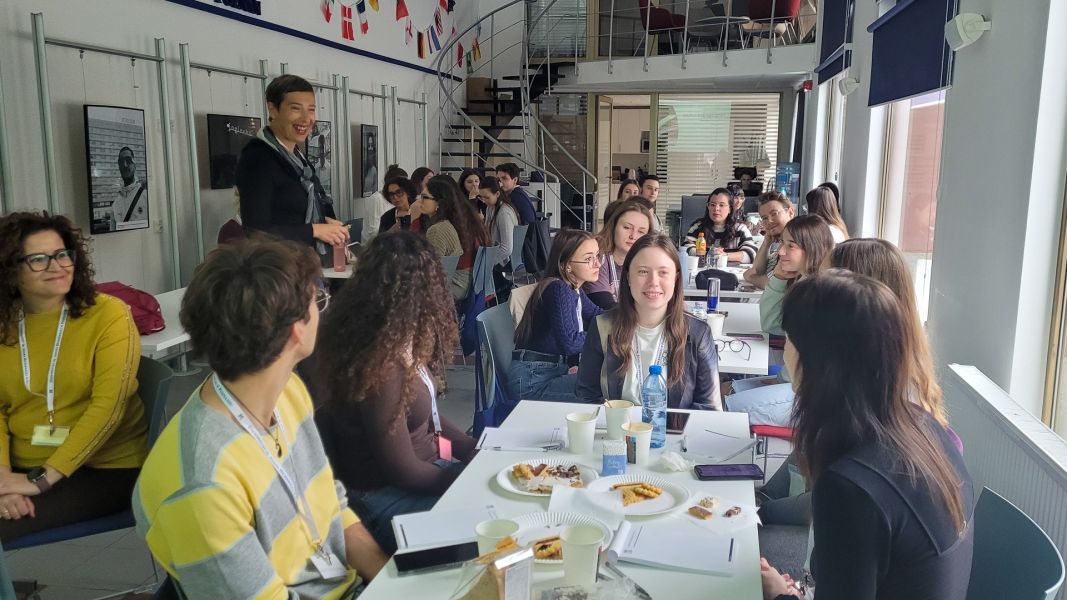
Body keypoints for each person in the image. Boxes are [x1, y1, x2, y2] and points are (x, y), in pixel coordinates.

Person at [133, 238, 387, 598]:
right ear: (295, 331)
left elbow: (332, 506)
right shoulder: (203, 484)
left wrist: (393, 580)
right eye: (317, 300)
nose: (322, 310)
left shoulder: (288, 393)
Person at [761, 272, 973, 600]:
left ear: (815, 359)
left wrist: (780, 595)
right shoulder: (925, 427)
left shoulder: (849, 488)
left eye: (790, 340)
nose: (786, 352)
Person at [755, 238, 952, 527]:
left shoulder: (884, 399)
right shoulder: (871, 376)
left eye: (826, 278)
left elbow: (834, 500)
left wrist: (759, 514)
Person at [312, 232, 477, 554]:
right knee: (489, 536)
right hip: (384, 497)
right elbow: (402, 469)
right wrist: (468, 480)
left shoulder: (396, 337)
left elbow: (426, 414)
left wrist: (471, 448)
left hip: (424, 476)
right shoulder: (379, 363)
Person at [0, 212, 147, 540]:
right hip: (20, 466)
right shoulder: (6, 326)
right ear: (10, 270)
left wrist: (37, 480)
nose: (56, 266)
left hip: (103, 469)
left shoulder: (108, 315)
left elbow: (108, 410)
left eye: (62, 254)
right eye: (38, 259)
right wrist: (4, 480)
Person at [577, 234, 721, 410]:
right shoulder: (603, 326)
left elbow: (708, 408)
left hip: (674, 435)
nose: (653, 282)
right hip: (617, 433)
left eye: (663, 273)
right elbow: (586, 398)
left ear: (675, 279)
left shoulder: (698, 333)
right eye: (643, 272)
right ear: (628, 277)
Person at [725, 216, 833, 428]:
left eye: (790, 246)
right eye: (782, 243)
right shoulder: (802, 283)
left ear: (812, 248)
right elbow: (772, 324)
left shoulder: (820, 293)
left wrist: (779, 381)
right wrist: (779, 279)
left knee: (723, 408)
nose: (780, 252)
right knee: (718, 391)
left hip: (810, 396)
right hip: (791, 381)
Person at [236, 74, 348, 261]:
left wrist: (327, 223)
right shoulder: (258, 158)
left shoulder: (298, 160)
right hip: (278, 275)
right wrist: (314, 229)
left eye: (311, 110)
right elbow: (257, 233)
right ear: (273, 109)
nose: (306, 118)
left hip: (305, 268)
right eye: (296, 109)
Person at [510, 230, 604, 401]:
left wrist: (628, 316)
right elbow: (569, 342)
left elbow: (598, 315)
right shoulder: (559, 289)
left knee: (603, 382)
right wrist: (606, 336)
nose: (597, 264)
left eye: (598, 256)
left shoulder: (573, 289)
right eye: (589, 259)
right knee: (603, 388)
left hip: (545, 371)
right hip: (534, 380)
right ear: (567, 265)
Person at [423, 175, 491, 300]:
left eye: (424, 197)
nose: (419, 201)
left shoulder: (439, 229)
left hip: (458, 284)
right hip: (476, 283)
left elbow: (432, 272)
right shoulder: (468, 217)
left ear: (439, 202)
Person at [583, 200, 653, 310]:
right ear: (614, 226)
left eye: (641, 232)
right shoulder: (597, 258)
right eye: (627, 227)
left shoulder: (647, 263)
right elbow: (605, 305)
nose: (633, 236)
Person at [685, 188, 759, 263]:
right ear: (708, 207)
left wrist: (724, 256)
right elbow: (686, 248)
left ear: (730, 208)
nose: (716, 209)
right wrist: (710, 255)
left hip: (732, 272)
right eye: (712, 205)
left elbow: (752, 254)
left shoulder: (740, 228)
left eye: (721, 205)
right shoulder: (698, 226)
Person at [479, 176, 522, 297]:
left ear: (497, 194)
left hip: (504, 258)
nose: (484, 200)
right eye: (481, 197)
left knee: (475, 267)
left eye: (487, 197)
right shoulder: (491, 207)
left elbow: (507, 248)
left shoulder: (504, 213)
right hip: (496, 252)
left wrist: (487, 262)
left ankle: (489, 295)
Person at [743, 191, 795, 290]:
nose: (769, 221)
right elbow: (758, 271)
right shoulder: (780, 242)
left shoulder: (797, 241)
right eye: (765, 218)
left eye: (774, 214)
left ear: (791, 212)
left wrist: (750, 277)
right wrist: (767, 242)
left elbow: (771, 282)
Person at [362, 164, 407, 242]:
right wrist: (392, 229)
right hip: (375, 246)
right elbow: (373, 233)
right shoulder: (377, 199)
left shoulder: (401, 199)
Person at [108, 146, 149, 231]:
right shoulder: (115, 205)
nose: (125, 165)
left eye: (128, 160)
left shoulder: (147, 196)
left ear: (135, 165)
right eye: (121, 162)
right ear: (119, 167)